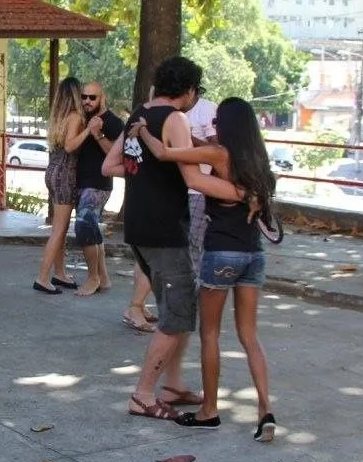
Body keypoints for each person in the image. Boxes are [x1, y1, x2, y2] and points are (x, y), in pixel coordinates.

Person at [101, 57, 246, 422]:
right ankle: (143, 394)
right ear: (190, 90)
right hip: (166, 229)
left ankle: (174, 383)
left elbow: (111, 166)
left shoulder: (139, 114)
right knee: (178, 313)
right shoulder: (175, 119)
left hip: (138, 226)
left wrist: (145, 173)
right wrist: (244, 191)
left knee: (178, 311)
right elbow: (194, 179)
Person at [133, 97, 277, 441]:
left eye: (217, 121)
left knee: (210, 335)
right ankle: (265, 410)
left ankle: (209, 410)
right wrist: (195, 144)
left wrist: (143, 133)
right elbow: (202, 149)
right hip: (253, 256)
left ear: (227, 125)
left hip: (222, 254)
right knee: (249, 337)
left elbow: (170, 157)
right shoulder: (256, 159)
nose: (212, 127)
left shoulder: (220, 154)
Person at [33, 77, 94, 294]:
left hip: (53, 171)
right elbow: (70, 146)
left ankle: (59, 273)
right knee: (59, 229)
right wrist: (89, 130)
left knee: (60, 227)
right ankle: (42, 277)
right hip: (65, 174)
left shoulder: (58, 117)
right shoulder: (76, 117)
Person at [73, 81, 125, 297]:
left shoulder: (112, 122)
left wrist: (98, 134)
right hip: (83, 182)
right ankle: (103, 278)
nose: (87, 101)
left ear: (102, 98)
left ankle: (92, 277)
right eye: (84, 96)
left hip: (98, 184)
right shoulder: (82, 118)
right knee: (92, 229)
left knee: (83, 228)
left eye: (92, 97)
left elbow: (118, 154)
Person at [185, 94, 219, 271]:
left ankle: (200, 287)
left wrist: (188, 138)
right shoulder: (173, 111)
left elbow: (216, 150)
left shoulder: (206, 109)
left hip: (199, 188)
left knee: (195, 241)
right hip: (176, 187)